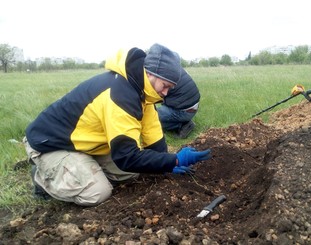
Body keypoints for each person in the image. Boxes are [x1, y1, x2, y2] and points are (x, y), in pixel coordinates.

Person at [23, 43, 211, 206]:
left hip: (86, 144)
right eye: (166, 86)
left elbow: (153, 136)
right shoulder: (120, 95)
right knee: (97, 192)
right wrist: (176, 160)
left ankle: (82, 166)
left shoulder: (144, 94)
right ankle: (42, 178)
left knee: (131, 174)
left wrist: (166, 164)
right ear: (151, 74)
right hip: (51, 144)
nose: (166, 93)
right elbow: (126, 157)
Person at [157, 68, 200, 138]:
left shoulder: (161, 75)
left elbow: (155, 96)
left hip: (184, 110)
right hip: (191, 107)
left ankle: (182, 125)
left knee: (150, 118)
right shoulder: (172, 67)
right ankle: (183, 122)